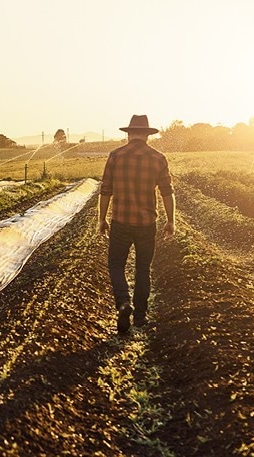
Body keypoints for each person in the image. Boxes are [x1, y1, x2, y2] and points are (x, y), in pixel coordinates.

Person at [98, 114, 175, 335]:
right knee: (143, 268)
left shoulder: (115, 156)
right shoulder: (158, 158)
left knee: (115, 265)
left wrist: (102, 219)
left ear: (129, 133)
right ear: (147, 135)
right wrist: (171, 221)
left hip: (121, 221)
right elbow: (167, 193)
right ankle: (140, 317)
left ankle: (123, 303)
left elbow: (105, 191)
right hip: (147, 223)